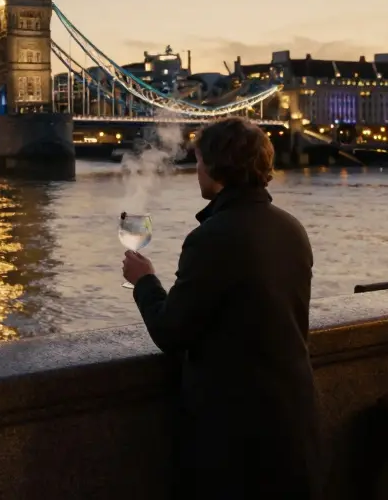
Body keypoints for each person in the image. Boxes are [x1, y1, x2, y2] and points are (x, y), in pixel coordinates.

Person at [122, 117, 321, 499]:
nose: (196, 172)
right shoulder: (291, 227)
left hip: (237, 431)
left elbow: (171, 331)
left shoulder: (212, 237)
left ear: (216, 167)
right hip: (295, 416)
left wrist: (144, 281)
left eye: (198, 162)